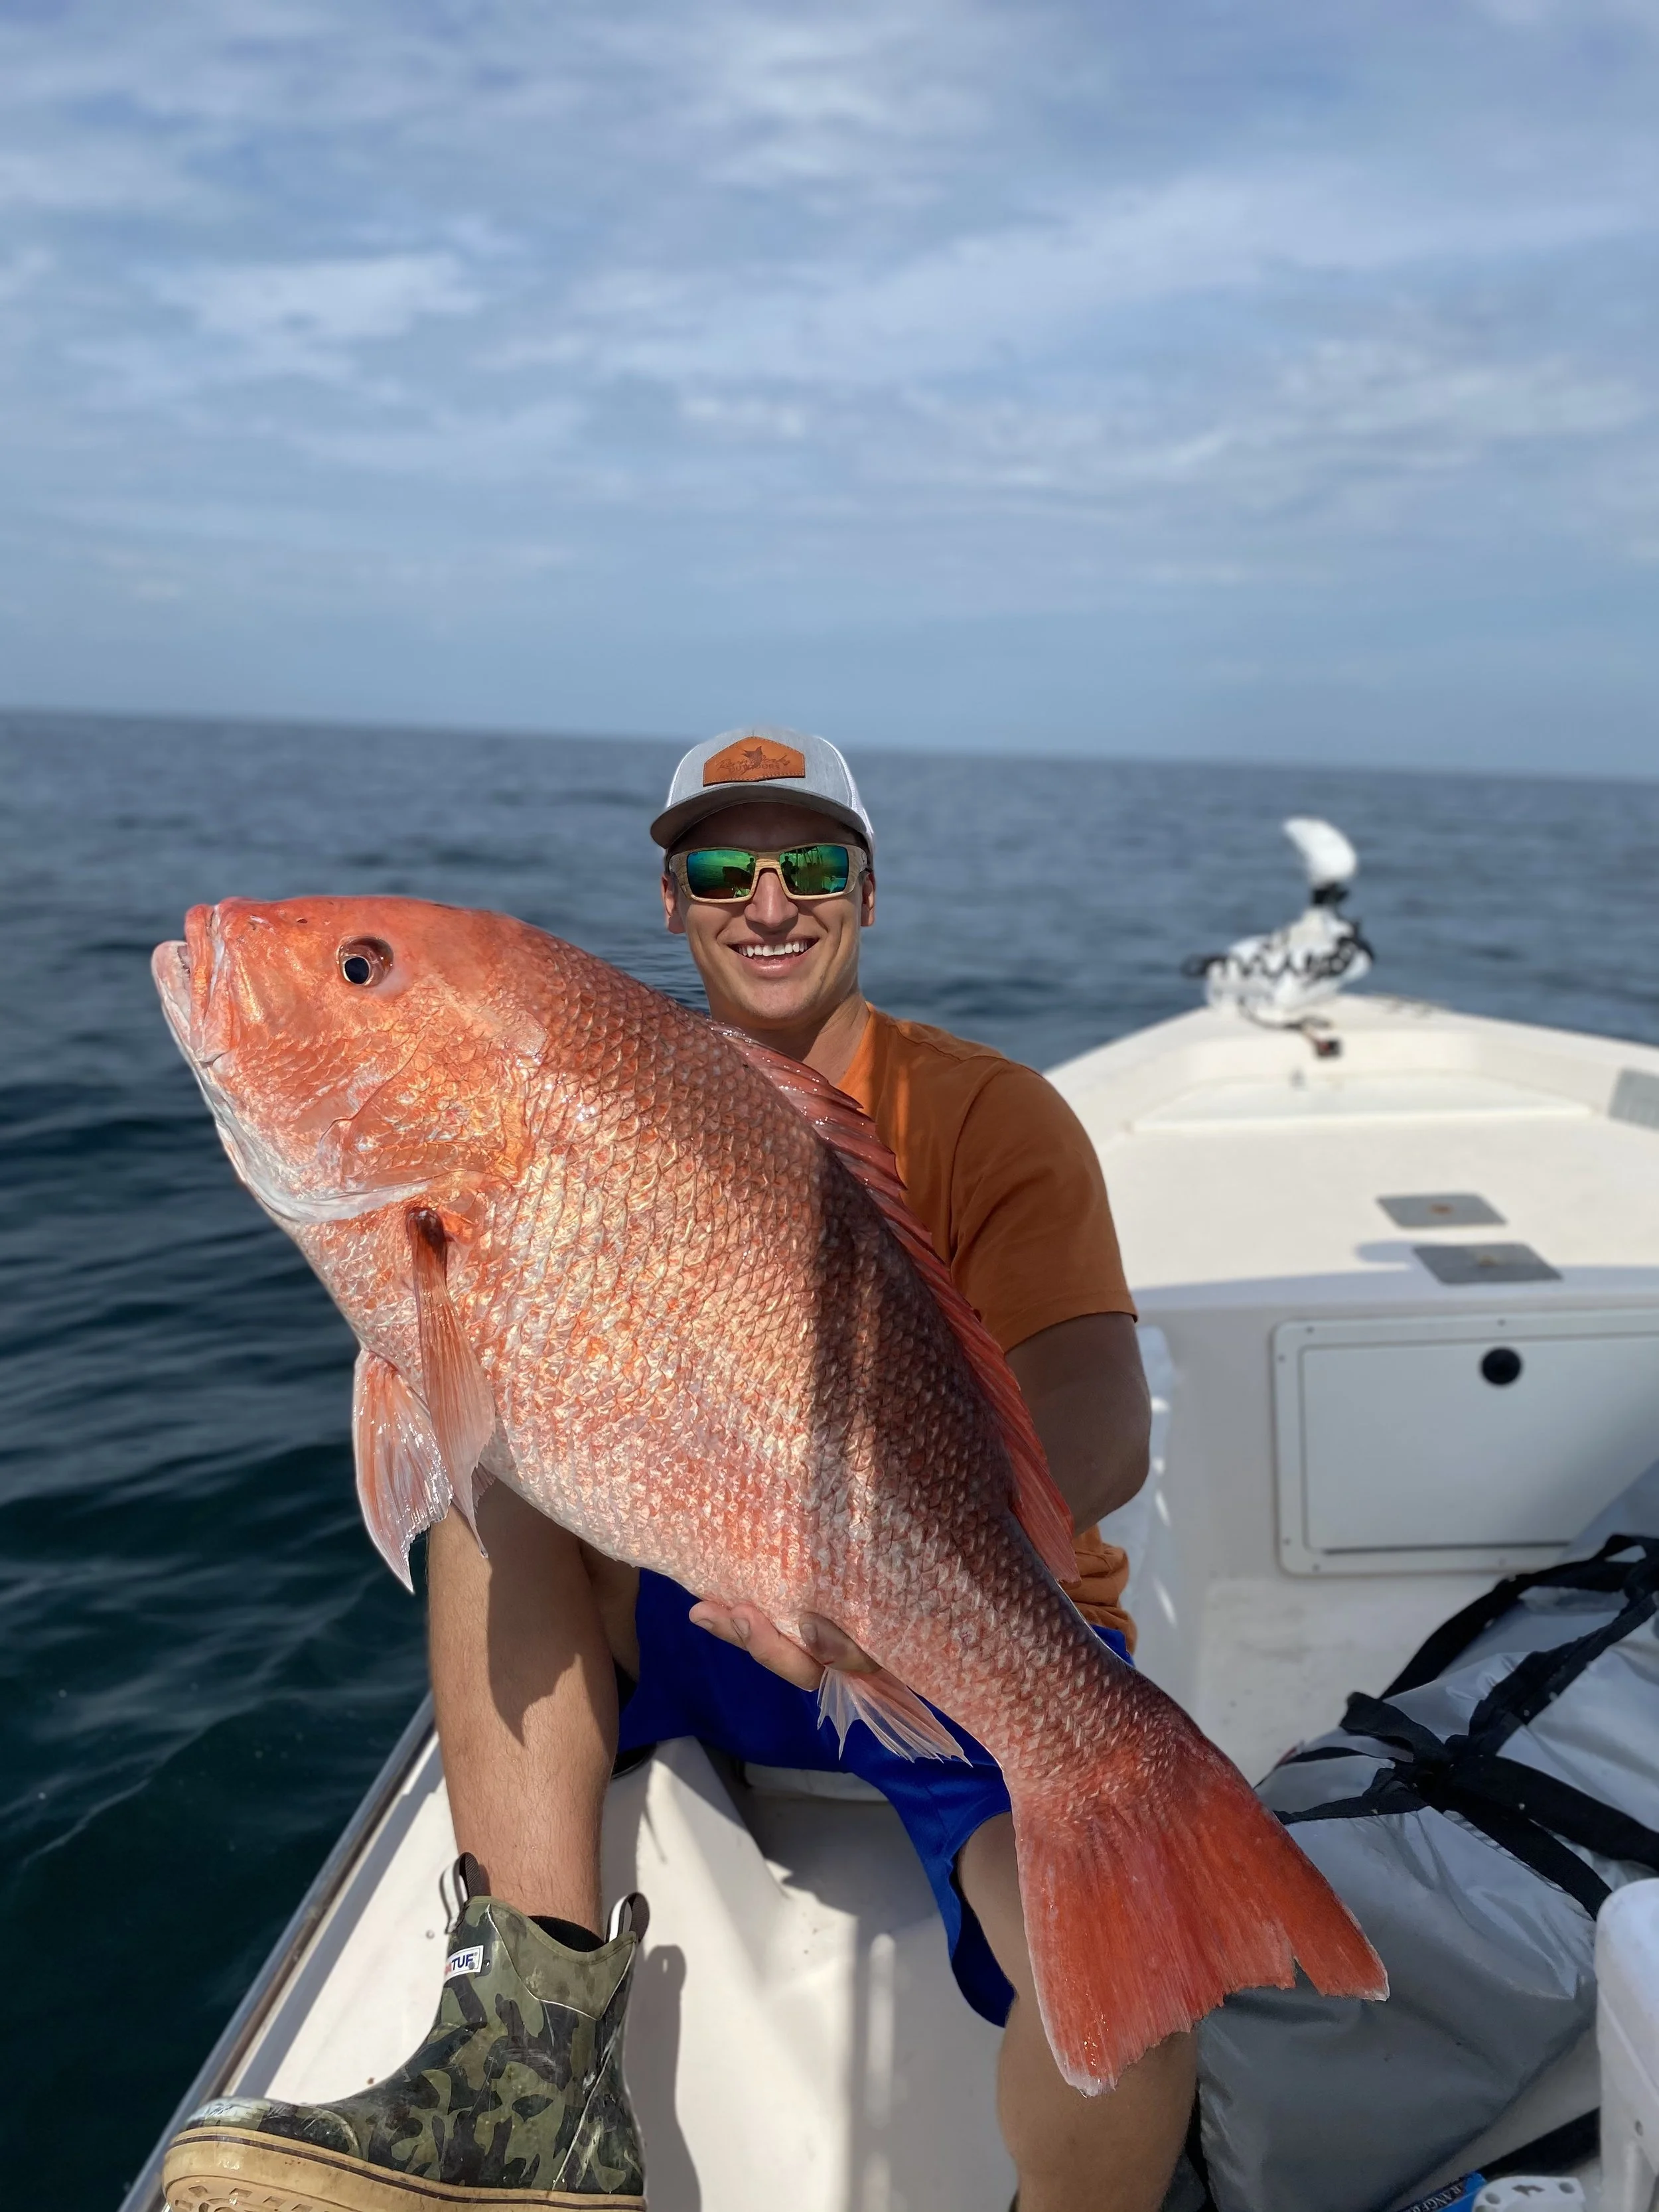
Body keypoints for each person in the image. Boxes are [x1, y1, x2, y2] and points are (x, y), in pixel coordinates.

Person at [165, 728, 1187, 2212]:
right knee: (480, 1487)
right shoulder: (591, 1082)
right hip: (696, 1619)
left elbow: (1101, 1417)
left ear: (866, 893)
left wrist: (882, 1581)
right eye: (721, 865)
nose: (766, 900)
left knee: (1133, 2033)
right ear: (670, 900)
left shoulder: (985, 1112)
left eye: (809, 864)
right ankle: (528, 2068)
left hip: (943, 1631)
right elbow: (441, 1373)